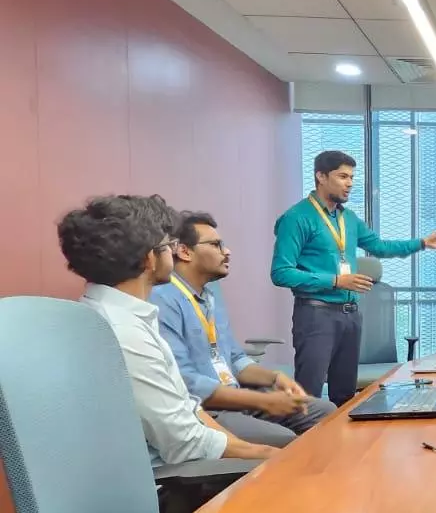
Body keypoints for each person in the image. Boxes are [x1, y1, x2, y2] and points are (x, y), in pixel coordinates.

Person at [58, 195, 277, 465]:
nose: (173, 253)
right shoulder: (124, 332)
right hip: (171, 477)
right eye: (168, 246)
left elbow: (188, 409)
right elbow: (185, 443)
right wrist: (267, 455)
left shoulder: (117, 313)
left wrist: (248, 448)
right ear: (150, 258)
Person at [272, 150, 436, 405]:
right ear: (321, 176)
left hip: (350, 314)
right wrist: (335, 281)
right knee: (309, 396)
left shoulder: (348, 218)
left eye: (352, 177)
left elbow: (380, 247)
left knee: (345, 396)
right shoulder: (296, 218)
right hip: (316, 314)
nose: (349, 183)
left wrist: (421, 243)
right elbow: (281, 272)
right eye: (342, 176)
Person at [152, 212, 337, 448]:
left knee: (326, 412)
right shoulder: (163, 300)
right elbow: (186, 382)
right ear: (184, 252)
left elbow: (235, 359)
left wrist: (275, 378)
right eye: (216, 245)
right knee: (283, 438)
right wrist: (261, 401)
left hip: (236, 398)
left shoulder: (209, 296)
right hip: (206, 409)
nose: (227, 251)